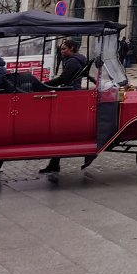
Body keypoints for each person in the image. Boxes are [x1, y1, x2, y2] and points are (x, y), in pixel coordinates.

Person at [40, 38, 96, 173]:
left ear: (72, 49)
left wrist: (44, 85)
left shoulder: (72, 62)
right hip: (72, 95)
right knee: (62, 131)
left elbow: (63, 79)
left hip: (70, 97)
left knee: (63, 130)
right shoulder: (77, 60)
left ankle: (89, 152)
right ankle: (55, 163)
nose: (62, 51)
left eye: (64, 48)